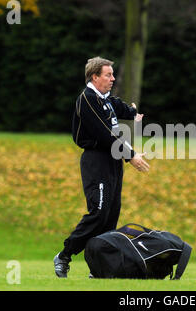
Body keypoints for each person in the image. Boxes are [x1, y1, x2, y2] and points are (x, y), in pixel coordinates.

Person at [54, 56, 149, 278]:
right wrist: (131, 156)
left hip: (113, 161)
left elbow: (116, 106)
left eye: (112, 74)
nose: (112, 78)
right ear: (94, 77)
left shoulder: (104, 99)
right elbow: (105, 134)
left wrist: (132, 113)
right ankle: (65, 255)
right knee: (98, 212)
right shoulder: (87, 99)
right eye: (108, 74)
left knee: (110, 216)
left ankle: (99, 269)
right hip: (96, 161)